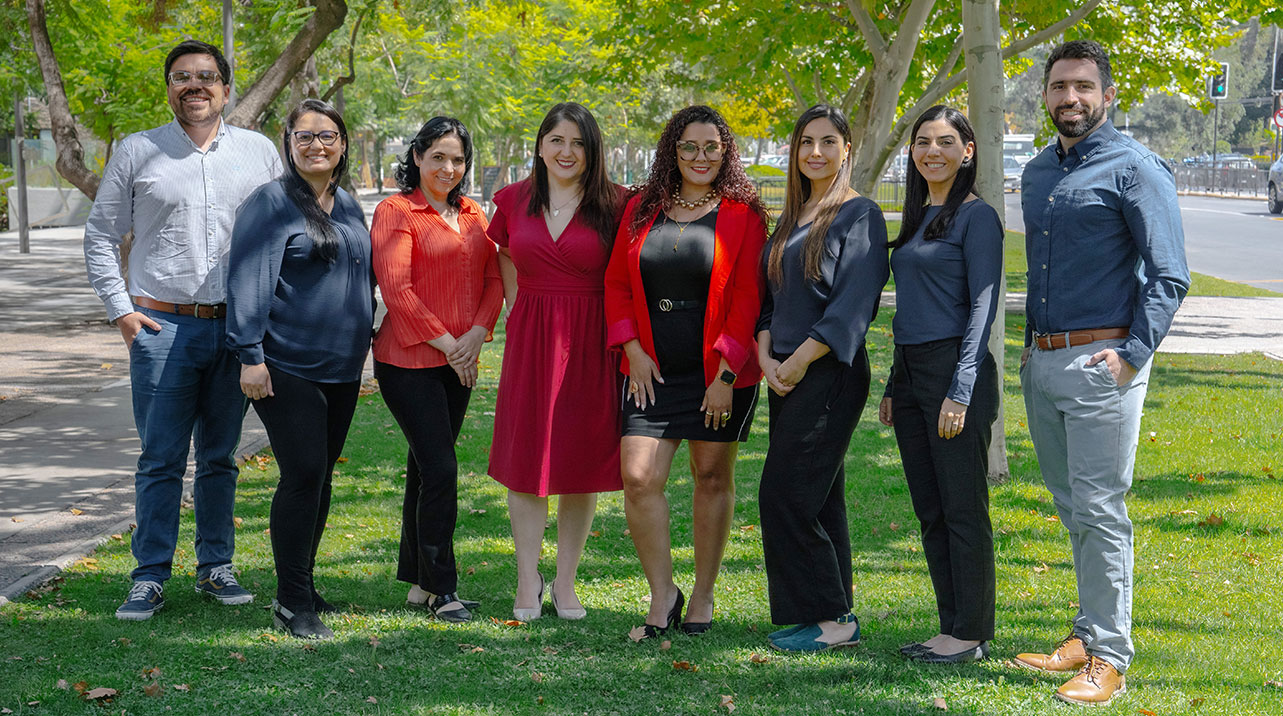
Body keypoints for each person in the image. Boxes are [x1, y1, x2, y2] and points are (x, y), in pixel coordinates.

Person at [1014, 40, 1189, 706]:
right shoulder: (1037, 172)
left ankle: (1110, 657)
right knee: (1072, 508)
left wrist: (1131, 354)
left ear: (1107, 95)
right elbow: (1042, 269)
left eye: (1083, 86)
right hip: (1042, 361)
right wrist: (1030, 346)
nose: (1070, 98)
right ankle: (1087, 634)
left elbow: (1169, 275)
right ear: (1045, 95)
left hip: (1102, 364)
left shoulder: (1136, 168)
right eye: (1059, 86)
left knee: (1100, 509)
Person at [83, 40, 281, 621]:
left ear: (226, 88)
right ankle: (149, 576)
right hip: (161, 326)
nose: (195, 85)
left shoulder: (258, 152)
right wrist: (121, 310)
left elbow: (280, 232)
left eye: (206, 76)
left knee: (220, 456)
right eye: (181, 77)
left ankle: (216, 566)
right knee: (161, 459)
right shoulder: (137, 150)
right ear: (169, 88)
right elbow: (101, 234)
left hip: (236, 328)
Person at [604, 105, 768, 638]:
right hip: (650, 368)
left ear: (726, 152)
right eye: (689, 147)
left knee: (711, 477)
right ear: (672, 152)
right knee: (638, 477)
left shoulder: (744, 214)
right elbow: (616, 284)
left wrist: (726, 376)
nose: (701, 157)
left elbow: (748, 298)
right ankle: (662, 593)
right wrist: (631, 349)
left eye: (711, 147)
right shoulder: (640, 209)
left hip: (717, 372)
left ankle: (702, 594)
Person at [226, 99, 373, 640]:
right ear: (288, 143)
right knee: (304, 473)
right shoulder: (271, 203)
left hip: (342, 367)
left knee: (321, 475)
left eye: (327, 135)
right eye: (305, 136)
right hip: (285, 364)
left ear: (342, 144)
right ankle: (291, 602)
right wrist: (250, 357)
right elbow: (248, 280)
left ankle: (304, 585)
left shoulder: (348, 205)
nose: (317, 145)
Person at [755, 105, 888, 653]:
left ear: (846, 149)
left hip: (829, 372)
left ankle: (833, 620)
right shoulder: (790, 218)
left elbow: (852, 305)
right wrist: (766, 356)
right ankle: (830, 613)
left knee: (783, 494)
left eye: (828, 141)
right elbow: (771, 300)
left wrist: (800, 360)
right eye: (806, 142)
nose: (815, 152)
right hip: (784, 372)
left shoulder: (860, 215)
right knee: (820, 496)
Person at [486, 103, 625, 621]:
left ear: (593, 151)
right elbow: (503, 251)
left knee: (579, 464)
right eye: (557, 140)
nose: (567, 152)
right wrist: (517, 303)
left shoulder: (616, 203)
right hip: (532, 340)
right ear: (541, 145)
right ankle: (528, 579)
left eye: (579, 143)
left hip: (592, 340)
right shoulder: (514, 199)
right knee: (527, 463)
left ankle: (566, 582)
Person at [876, 106, 1003, 663]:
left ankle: (971, 631)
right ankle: (951, 627)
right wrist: (893, 383)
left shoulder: (978, 218)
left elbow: (983, 306)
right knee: (931, 509)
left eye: (946, 141)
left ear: (967, 151)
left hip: (956, 370)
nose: (934, 151)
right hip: (912, 374)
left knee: (962, 508)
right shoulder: (917, 216)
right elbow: (911, 307)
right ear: (912, 152)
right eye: (923, 141)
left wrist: (962, 387)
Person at [371, 117, 502, 624]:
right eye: (438, 157)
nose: (449, 168)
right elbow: (397, 290)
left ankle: (419, 583)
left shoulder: (472, 213)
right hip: (408, 362)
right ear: (418, 157)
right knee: (441, 469)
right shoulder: (396, 211)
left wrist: (476, 335)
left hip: (458, 361)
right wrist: (452, 345)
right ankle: (442, 588)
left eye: (458, 159)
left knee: (425, 469)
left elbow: (494, 278)